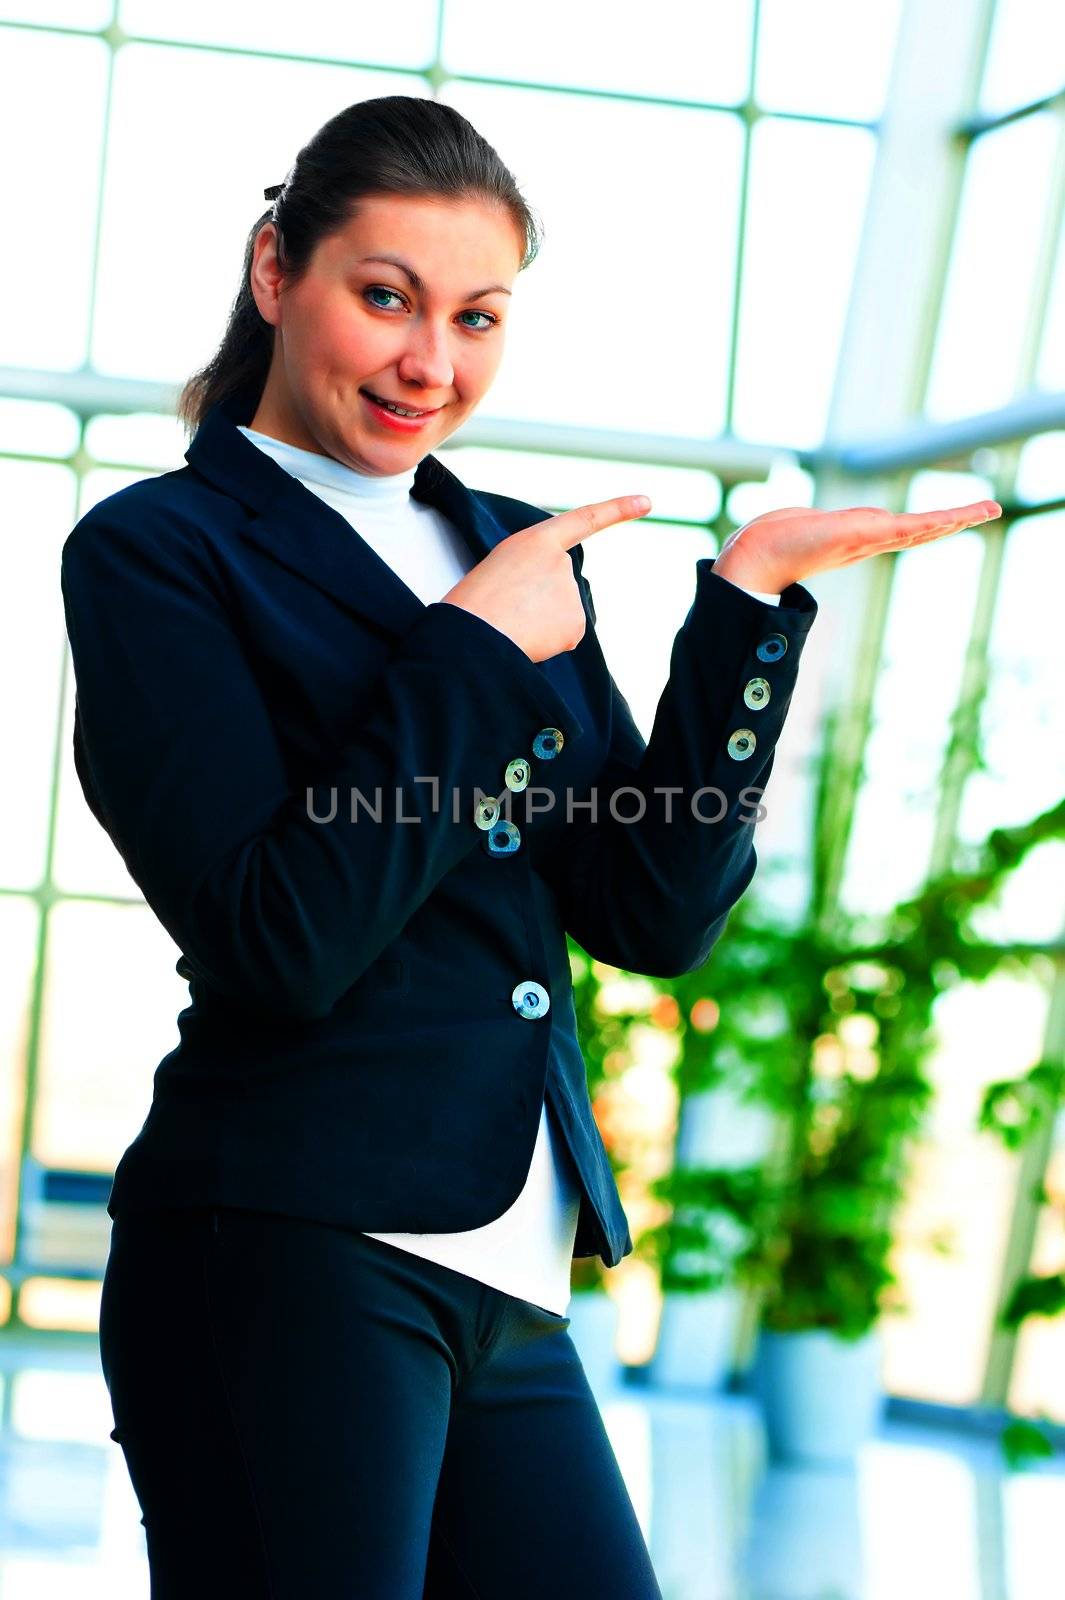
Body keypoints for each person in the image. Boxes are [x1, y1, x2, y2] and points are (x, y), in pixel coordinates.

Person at [60, 95, 1001, 1599]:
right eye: (386, 298)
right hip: (285, 1242)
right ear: (273, 271)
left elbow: (646, 910)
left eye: (477, 317)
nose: (431, 363)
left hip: (506, 1269)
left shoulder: (510, 543)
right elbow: (276, 936)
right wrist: (474, 650)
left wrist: (743, 620)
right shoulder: (157, 552)